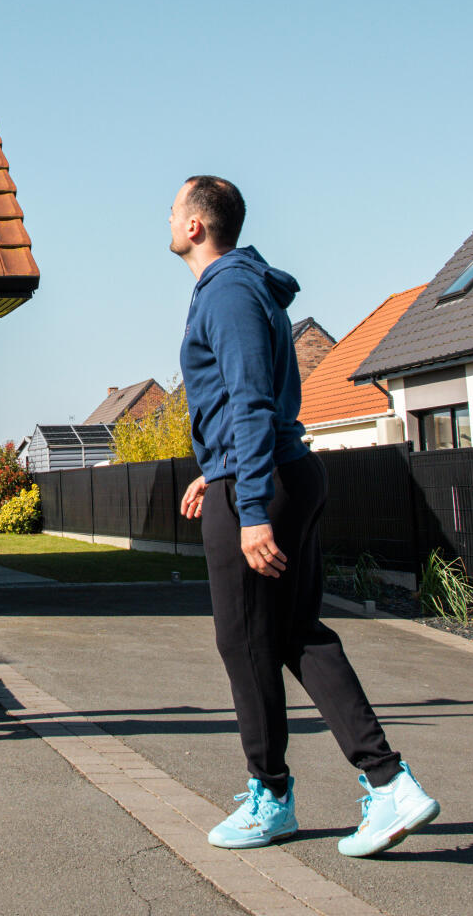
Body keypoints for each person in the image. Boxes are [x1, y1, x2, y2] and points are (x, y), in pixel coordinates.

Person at [168, 174, 440, 857]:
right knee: (295, 635)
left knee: (247, 643)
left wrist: (250, 505)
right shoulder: (243, 286)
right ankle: (388, 784)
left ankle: (272, 796)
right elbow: (244, 405)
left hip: (263, 488)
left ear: (197, 226)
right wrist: (218, 470)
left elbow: (252, 401)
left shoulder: (227, 290)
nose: (167, 220)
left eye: (174, 210)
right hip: (272, 473)